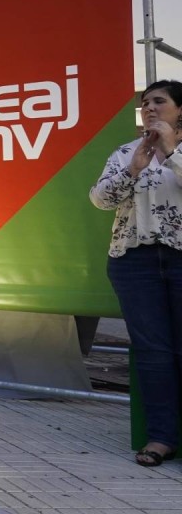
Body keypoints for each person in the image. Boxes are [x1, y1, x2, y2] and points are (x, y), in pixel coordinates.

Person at [90, 80, 182, 467]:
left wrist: (171, 153)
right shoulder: (127, 152)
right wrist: (132, 170)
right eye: (145, 103)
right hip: (134, 262)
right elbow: (99, 199)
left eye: (159, 101)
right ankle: (161, 437)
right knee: (152, 351)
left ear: (180, 110)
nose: (149, 108)